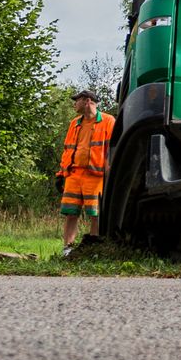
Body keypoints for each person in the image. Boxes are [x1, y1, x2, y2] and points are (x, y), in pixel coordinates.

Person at [57, 89, 117, 251]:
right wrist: (61, 174)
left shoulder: (108, 120)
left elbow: (112, 149)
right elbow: (67, 149)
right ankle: (67, 249)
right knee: (71, 213)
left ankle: (92, 248)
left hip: (95, 175)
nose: (74, 104)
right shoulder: (74, 123)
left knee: (95, 214)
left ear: (87, 101)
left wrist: (110, 175)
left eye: (76, 101)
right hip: (73, 175)